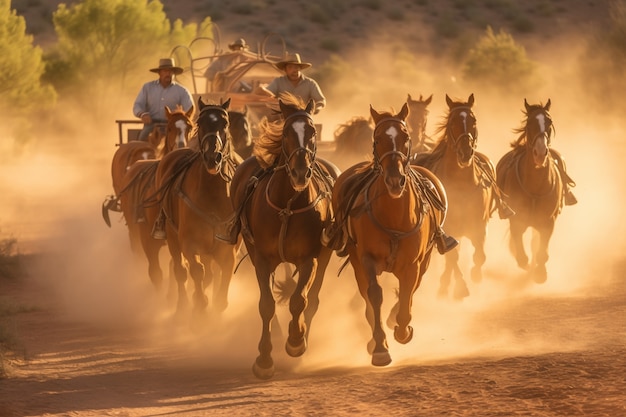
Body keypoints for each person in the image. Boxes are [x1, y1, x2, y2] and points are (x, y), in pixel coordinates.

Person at [133, 58, 194, 141]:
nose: (168, 73)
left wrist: (180, 118)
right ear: (159, 73)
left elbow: (189, 109)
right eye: (165, 71)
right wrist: (143, 114)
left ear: (174, 73)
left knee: (182, 145)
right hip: (151, 124)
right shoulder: (147, 87)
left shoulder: (182, 91)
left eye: (170, 71)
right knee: (141, 141)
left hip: (173, 126)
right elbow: (137, 105)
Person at [254, 53, 326, 114]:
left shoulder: (310, 83)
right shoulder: (278, 82)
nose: (294, 70)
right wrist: (262, 90)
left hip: (304, 117)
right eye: (290, 67)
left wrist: (314, 109)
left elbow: (321, 101)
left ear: (300, 68)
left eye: (296, 67)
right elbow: (267, 92)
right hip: (282, 118)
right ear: (285, 70)